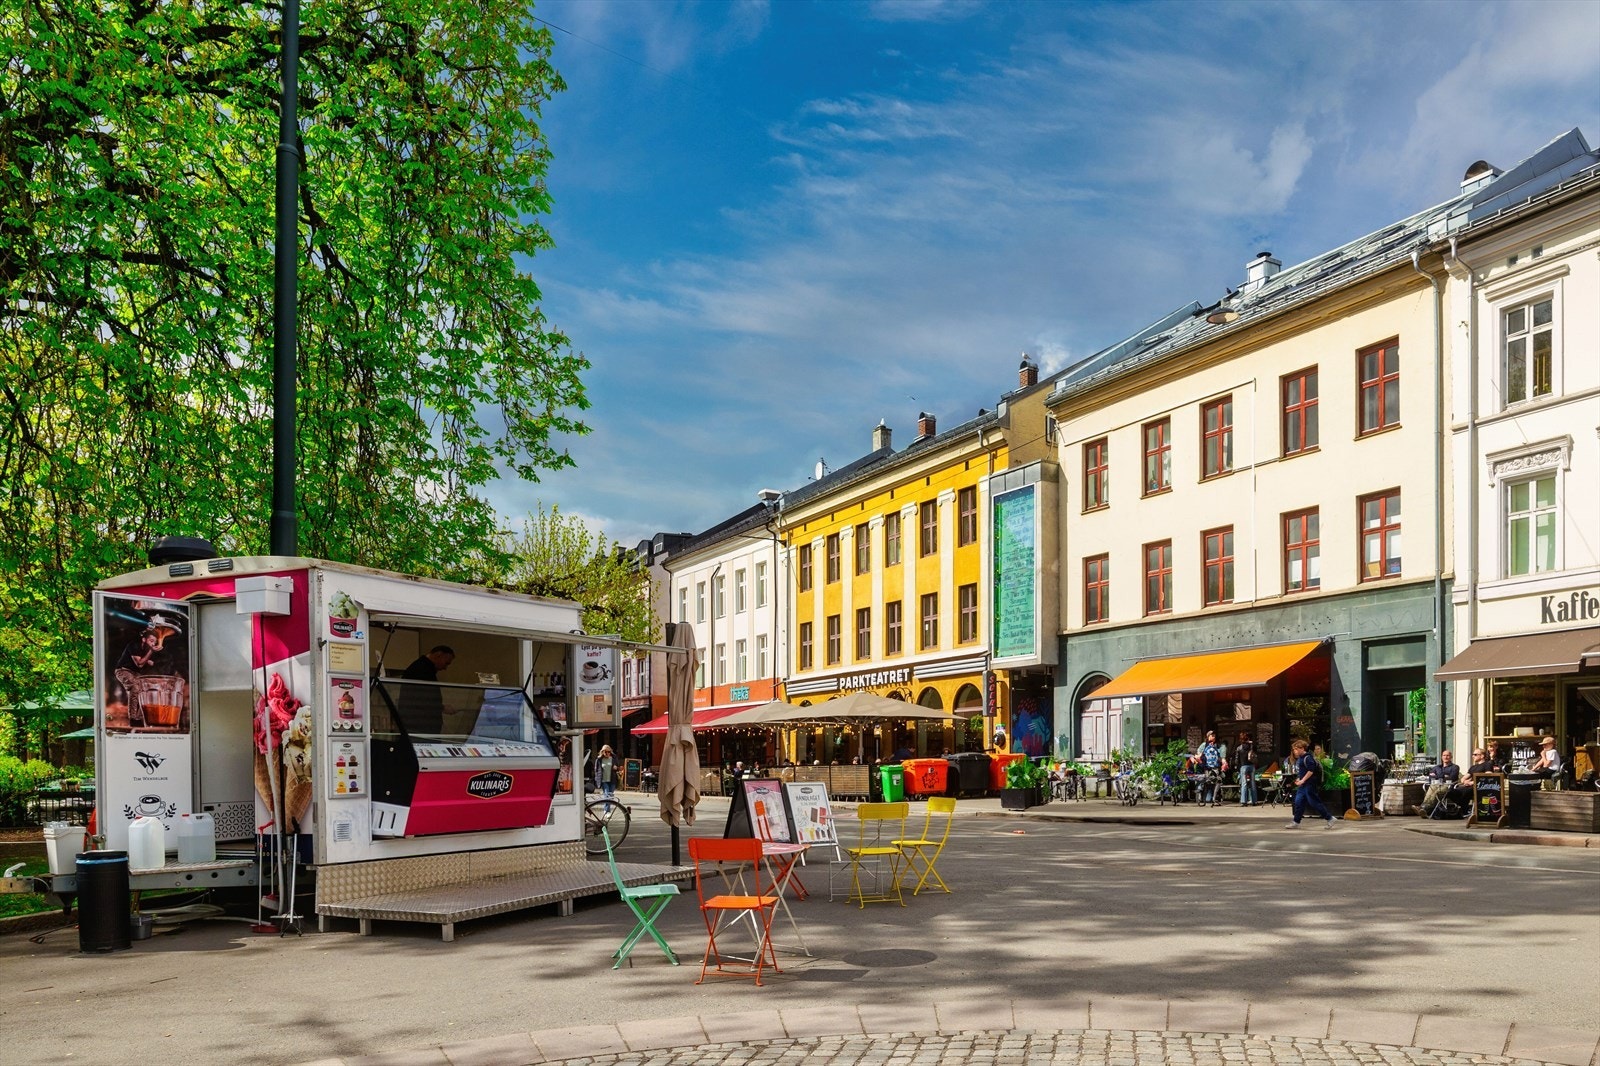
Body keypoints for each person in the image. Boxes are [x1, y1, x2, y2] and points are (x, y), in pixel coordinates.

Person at [398, 645, 454, 735]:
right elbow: (421, 698)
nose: (445, 667)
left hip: (417, 725)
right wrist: (442, 707)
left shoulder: (422, 667)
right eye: (446, 663)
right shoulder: (422, 670)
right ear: (438, 655)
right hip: (419, 727)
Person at [1285, 738, 1337, 828]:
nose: (1295, 751)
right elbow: (1304, 771)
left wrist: (1302, 780)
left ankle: (1330, 818)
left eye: (1296, 749)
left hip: (1309, 784)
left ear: (1302, 748)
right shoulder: (1301, 758)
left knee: (1314, 802)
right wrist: (1299, 779)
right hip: (1303, 784)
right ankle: (1296, 822)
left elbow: (1311, 771)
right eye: (1294, 749)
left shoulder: (1308, 758)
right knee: (1298, 802)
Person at [1420, 749, 1463, 816]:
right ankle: (1424, 807)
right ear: (1441, 757)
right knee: (1432, 787)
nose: (1446, 757)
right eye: (1444, 755)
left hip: (1448, 786)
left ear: (1451, 757)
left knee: (1436, 791)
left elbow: (1452, 778)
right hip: (1436, 785)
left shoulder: (1455, 767)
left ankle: (1425, 808)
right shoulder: (1437, 767)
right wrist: (1444, 776)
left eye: (1448, 755)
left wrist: (1438, 776)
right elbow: (1431, 777)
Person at [1191, 730, 1228, 804]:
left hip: (1215, 767)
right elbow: (1198, 755)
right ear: (1208, 737)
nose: (1213, 737)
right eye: (1212, 735)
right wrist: (1196, 758)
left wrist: (1224, 763)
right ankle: (1201, 794)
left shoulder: (1219, 746)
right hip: (1206, 767)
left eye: (1214, 735)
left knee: (1218, 780)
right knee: (1206, 782)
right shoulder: (1204, 745)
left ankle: (1214, 798)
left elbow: (1221, 757)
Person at [1234, 732, 1258, 806]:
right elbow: (1255, 754)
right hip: (1251, 765)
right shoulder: (1251, 746)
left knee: (1244, 784)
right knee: (1253, 783)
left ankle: (1244, 801)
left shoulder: (1239, 748)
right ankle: (1254, 801)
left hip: (1243, 766)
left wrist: (1236, 766)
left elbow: (1236, 760)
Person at [594, 744, 618, 810]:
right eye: (605, 752)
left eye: (609, 752)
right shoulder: (599, 760)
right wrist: (597, 780)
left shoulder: (614, 758)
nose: (607, 753)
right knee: (607, 795)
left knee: (610, 796)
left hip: (612, 780)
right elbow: (596, 771)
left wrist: (616, 768)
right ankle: (607, 811)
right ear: (602, 752)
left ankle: (606, 809)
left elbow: (618, 767)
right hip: (604, 780)